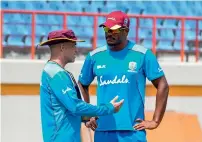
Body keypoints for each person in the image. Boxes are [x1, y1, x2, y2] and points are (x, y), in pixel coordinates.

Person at [78, 11, 169, 142]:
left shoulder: (143, 55)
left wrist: (155, 120)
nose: (109, 33)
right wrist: (87, 115)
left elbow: (162, 84)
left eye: (114, 30)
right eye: (106, 29)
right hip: (102, 130)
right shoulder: (94, 56)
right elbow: (82, 84)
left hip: (133, 131)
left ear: (125, 31)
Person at [39, 29, 124, 142]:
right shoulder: (57, 74)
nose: (76, 49)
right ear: (62, 47)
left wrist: (87, 117)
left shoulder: (53, 71)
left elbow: (67, 110)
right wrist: (108, 108)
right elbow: (75, 106)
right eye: (74, 45)